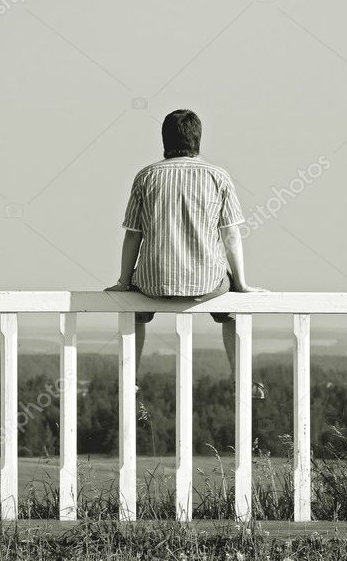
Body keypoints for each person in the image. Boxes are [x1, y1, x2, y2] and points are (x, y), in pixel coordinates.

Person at [105, 109, 265, 377]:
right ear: (198, 139)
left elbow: (133, 234)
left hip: (153, 283)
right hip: (208, 283)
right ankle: (241, 378)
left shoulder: (146, 176)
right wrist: (242, 284)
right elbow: (231, 236)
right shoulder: (219, 176)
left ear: (165, 139)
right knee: (234, 302)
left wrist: (124, 281)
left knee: (135, 308)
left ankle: (131, 383)